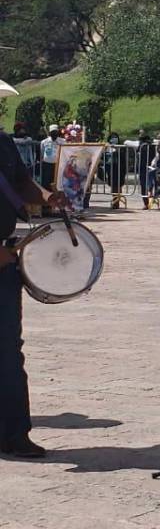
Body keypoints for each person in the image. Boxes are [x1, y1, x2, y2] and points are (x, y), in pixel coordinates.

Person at [0, 124, 69, 458]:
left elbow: (21, 183)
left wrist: (46, 196)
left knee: (9, 351)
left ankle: (14, 433)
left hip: (4, 262)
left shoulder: (2, 142)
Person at [38, 125, 61, 191]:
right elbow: (42, 153)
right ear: (50, 133)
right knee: (46, 182)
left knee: (56, 182)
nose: (54, 134)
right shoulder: (44, 142)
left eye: (56, 132)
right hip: (47, 164)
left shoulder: (62, 141)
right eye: (53, 132)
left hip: (57, 165)